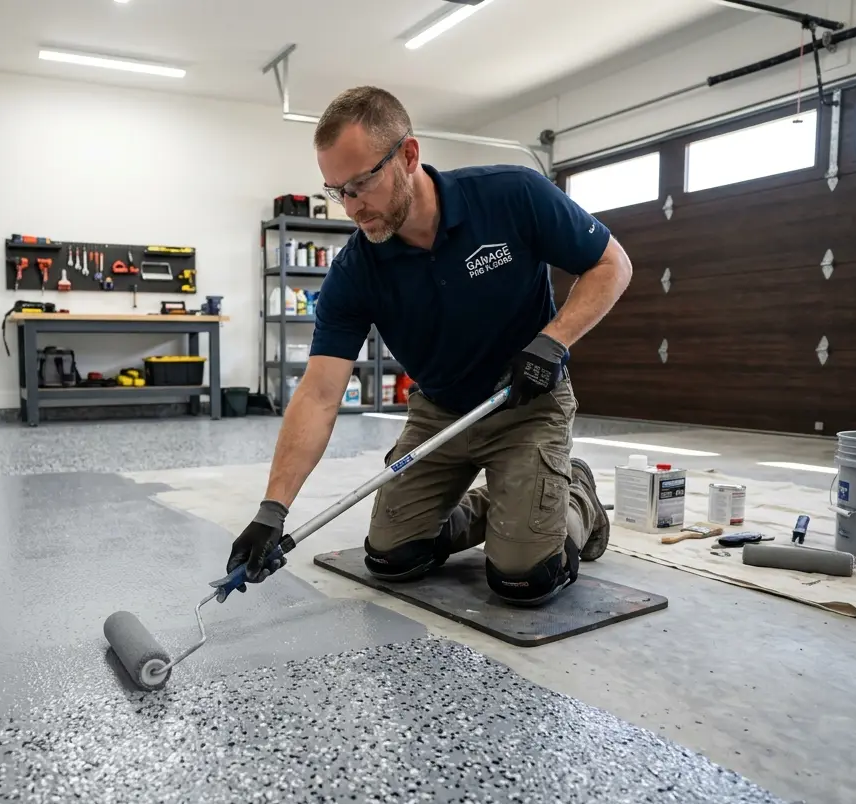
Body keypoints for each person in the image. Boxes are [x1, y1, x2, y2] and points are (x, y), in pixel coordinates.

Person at [227, 86, 633, 607]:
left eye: (361, 184)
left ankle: (574, 495)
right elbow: (320, 394)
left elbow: (611, 264)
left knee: (525, 579)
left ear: (409, 155)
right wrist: (272, 510)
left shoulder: (512, 194)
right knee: (392, 558)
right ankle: (514, 504)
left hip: (525, 403)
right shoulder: (356, 271)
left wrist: (552, 342)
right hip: (439, 412)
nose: (352, 207)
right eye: (337, 191)